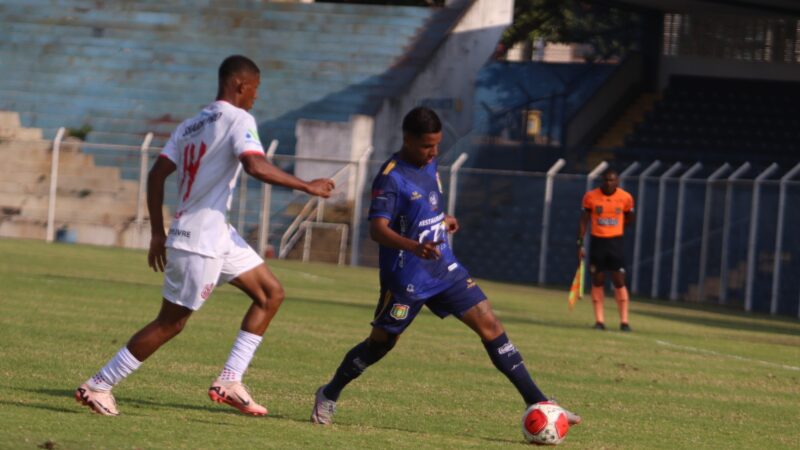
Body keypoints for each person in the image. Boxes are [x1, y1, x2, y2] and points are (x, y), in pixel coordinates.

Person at [74, 55, 335, 416]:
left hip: (214, 232)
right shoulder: (238, 118)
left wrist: (156, 233)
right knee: (171, 323)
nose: (256, 98)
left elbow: (155, 175)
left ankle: (230, 380)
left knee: (270, 294)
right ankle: (99, 385)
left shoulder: (190, 124)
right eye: (255, 90)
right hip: (200, 240)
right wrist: (307, 185)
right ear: (241, 85)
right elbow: (254, 164)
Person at [309, 107, 581, 428]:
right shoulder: (391, 177)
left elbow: (427, 204)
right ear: (408, 140)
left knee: (490, 324)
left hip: (442, 267)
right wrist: (414, 245)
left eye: (437, 144)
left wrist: (443, 219)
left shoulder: (431, 162)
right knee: (381, 344)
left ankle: (541, 402)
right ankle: (329, 393)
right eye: (427, 145)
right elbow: (377, 230)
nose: (434, 151)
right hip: (407, 276)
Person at [577, 169, 635, 331]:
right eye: (606, 180)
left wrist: (617, 227)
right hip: (597, 243)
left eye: (612, 180)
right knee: (597, 280)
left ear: (617, 182)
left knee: (619, 280)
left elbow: (630, 218)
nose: (609, 183)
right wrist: (580, 243)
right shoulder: (590, 197)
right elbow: (584, 221)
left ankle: (624, 322)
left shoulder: (626, 197)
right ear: (602, 181)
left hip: (615, 243)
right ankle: (599, 321)